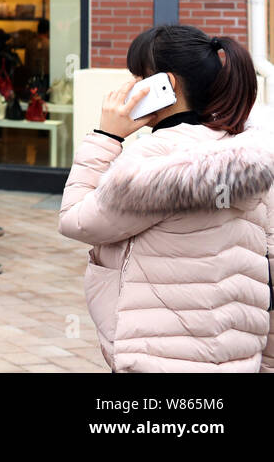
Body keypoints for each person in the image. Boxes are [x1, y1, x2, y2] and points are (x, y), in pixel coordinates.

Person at [58, 25, 274, 372]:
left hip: (156, 359)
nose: (129, 87)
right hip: (236, 360)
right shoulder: (252, 153)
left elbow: (75, 219)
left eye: (137, 76)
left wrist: (106, 135)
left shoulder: (151, 159)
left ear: (166, 85)